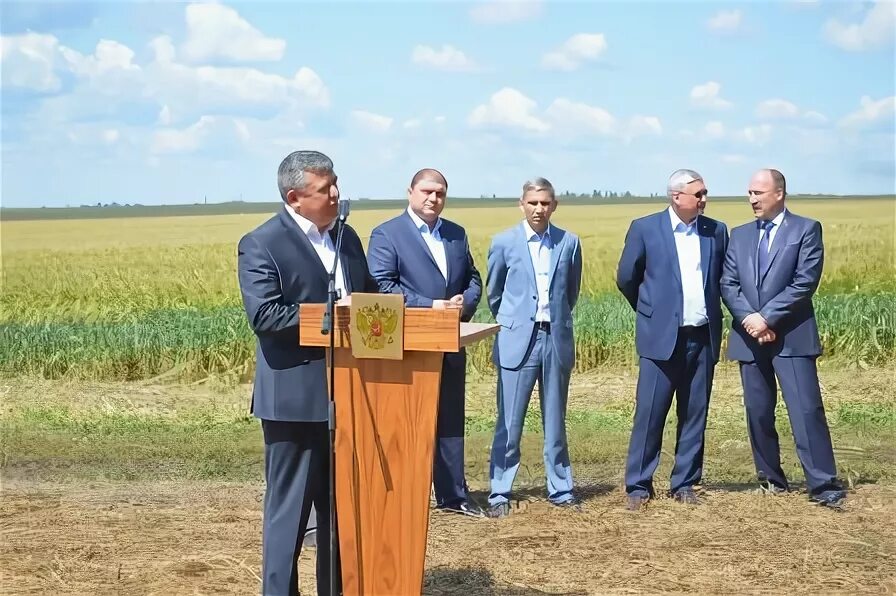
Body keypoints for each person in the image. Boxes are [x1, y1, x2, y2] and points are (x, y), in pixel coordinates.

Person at [237, 150, 378, 595]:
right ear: (295, 197)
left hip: (352, 395)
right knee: (290, 515)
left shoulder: (347, 238)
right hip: (294, 400)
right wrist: (332, 316)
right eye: (325, 189)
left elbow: (371, 298)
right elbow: (266, 317)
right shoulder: (261, 243)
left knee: (339, 513)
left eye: (336, 184)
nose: (336, 195)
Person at [720, 168, 846, 507]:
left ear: (779, 193)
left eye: (758, 193)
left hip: (792, 336)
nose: (752, 199)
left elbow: (804, 282)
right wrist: (750, 319)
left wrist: (767, 318)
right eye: (749, 193)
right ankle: (770, 480)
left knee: (806, 410)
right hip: (750, 338)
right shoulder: (740, 234)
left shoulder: (805, 230)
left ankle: (822, 484)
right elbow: (728, 284)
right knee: (758, 411)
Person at [366, 168, 484, 517]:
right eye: (427, 192)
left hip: (449, 342)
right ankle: (404, 496)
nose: (434, 199)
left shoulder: (456, 234)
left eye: (441, 193)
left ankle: (453, 496)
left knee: (450, 420)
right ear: (410, 192)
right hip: (408, 348)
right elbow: (381, 287)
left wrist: (465, 301)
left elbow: (474, 278)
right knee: (406, 423)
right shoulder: (387, 234)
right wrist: (430, 306)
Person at [616, 169, 729, 510]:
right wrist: (651, 311)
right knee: (650, 412)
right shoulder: (645, 228)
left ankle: (685, 482)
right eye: (699, 194)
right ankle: (638, 485)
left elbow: (722, 277)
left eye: (705, 192)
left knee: (695, 412)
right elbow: (626, 277)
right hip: (661, 338)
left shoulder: (715, 231)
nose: (704, 199)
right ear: (677, 196)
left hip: (702, 337)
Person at [485, 177, 583, 518]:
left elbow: (571, 292)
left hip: (554, 339)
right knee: (509, 423)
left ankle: (561, 488)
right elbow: (494, 293)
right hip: (517, 341)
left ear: (554, 205)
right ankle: (499, 491)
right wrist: (513, 322)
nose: (539, 209)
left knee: (555, 421)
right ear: (521, 204)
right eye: (533, 202)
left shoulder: (569, 243)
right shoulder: (503, 243)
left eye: (545, 203)